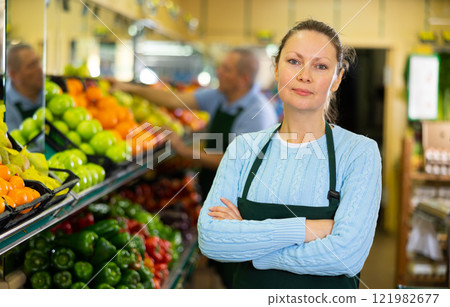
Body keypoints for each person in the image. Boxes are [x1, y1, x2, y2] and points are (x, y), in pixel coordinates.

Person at [197, 19, 382, 289]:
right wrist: (308, 229)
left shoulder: (359, 153)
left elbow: (346, 258)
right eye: (294, 61)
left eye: (320, 66)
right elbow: (211, 239)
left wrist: (252, 249)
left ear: (337, 78)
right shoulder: (243, 149)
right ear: (276, 68)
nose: (304, 75)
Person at [108, 48, 278, 200]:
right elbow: (171, 99)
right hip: (215, 189)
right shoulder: (220, 96)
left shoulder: (257, 114)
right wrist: (129, 88)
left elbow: (237, 162)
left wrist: (184, 150)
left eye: (226, 69)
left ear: (243, 79)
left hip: (240, 198)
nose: (218, 72)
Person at [5, 44, 44, 130]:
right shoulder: (5, 107)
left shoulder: (49, 93)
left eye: (38, 62)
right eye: (32, 65)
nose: (40, 69)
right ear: (13, 74)